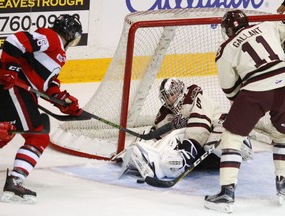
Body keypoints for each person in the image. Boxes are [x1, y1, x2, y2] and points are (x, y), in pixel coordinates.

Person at [204, 10, 285, 213]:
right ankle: (283, 188)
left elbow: (230, 90)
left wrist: (242, 112)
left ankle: (226, 194)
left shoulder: (225, 48)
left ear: (228, 30)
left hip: (255, 90)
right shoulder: (268, 25)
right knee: (282, 135)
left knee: (232, 138)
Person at [0, 14, 83, 204]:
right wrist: (10, 69)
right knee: (38, 135)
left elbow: (47, 84)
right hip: (13, 88)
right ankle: (16, 180)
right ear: (70, 34)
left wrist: (63, 100)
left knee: (7, 131)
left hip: (13, 88)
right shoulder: (51, 37)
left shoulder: (58, 54)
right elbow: (15, 40)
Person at [118, 78, 252, 180]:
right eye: (166, 96)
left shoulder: (196, 98)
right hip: (208, 156)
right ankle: (145, 159)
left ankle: (186, 156)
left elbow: (201, 122)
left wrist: (188, 151)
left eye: (172, 94)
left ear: (180, 90)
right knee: (173, 137)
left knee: (204, 141)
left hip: (226, 133)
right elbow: (155, 133)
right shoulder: (167, 113)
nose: (170, 99)